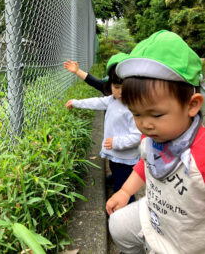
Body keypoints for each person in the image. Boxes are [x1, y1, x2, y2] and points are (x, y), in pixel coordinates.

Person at [106, 30, 205, 254]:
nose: (145, 125)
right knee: (117, 225)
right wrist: (124, 192)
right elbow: (146, 164)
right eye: (137, 114)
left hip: (187, 238)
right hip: (156, 215)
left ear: (192, 105)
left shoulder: (201, 153)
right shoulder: (151, 139)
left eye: (156, 115)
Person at [65, 56, 141, 202]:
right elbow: (96, 102)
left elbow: (137, 136)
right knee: (115, 169)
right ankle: (115, 180)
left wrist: (117, 142)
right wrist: (76, 102)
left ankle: (126, 214)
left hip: (126, 158)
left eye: (125, 88)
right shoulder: (112, 100)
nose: (120, 92)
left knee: (124, 190)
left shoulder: (133, 107)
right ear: (111, 85)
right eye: (116, 87)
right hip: (115, 154)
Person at [64, 52, 128, 95]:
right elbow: (93, 81)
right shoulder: (108, 88)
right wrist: (77, 71)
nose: (121, 92)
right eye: (117, 87)